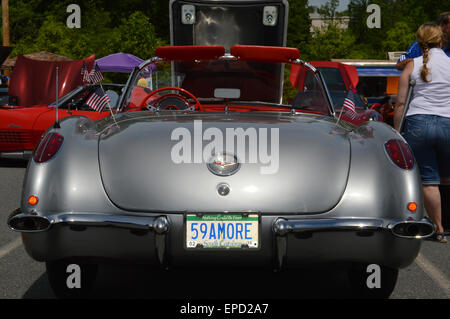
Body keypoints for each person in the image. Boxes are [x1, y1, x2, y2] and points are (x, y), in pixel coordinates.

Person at [394, 23, 450, 243]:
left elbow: (400, 103)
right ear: (441, 41)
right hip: (448, 123)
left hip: (418, 123)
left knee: (428, 181)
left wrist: (397, 131)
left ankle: (438, 228)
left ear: (419, 42)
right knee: (446, 178)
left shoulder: (413, 65)